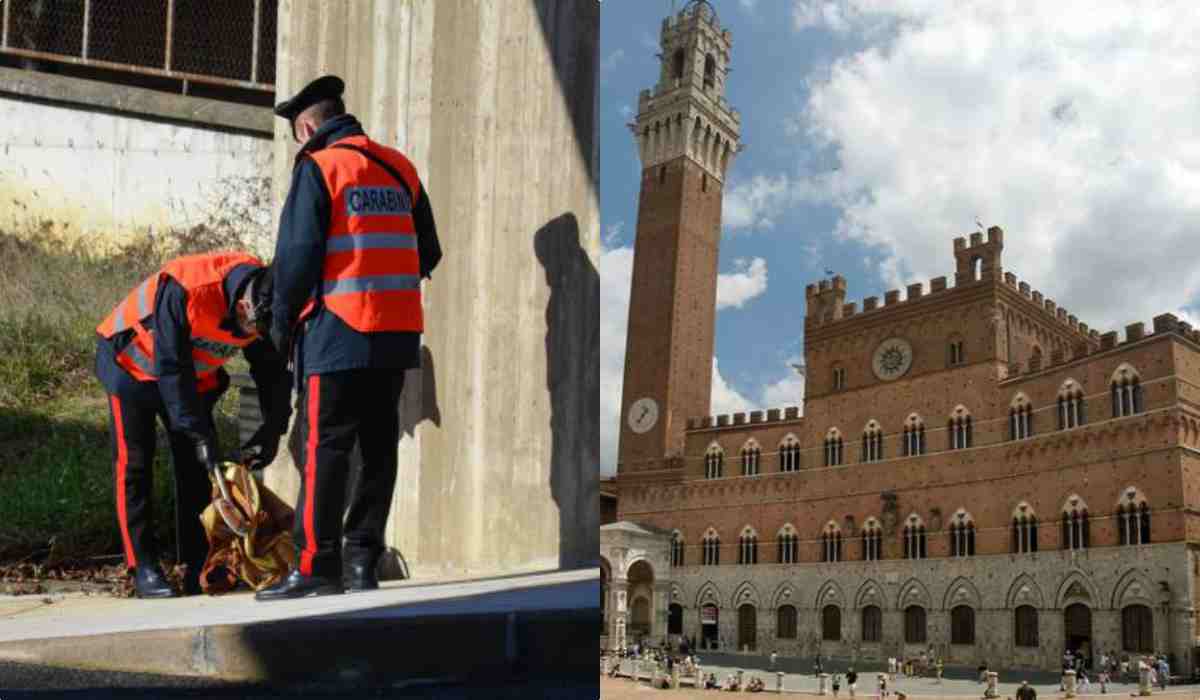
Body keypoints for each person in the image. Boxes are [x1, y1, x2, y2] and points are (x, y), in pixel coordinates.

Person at [256, 75, 442, 600]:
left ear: (309, 126)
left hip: (336, 331)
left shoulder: (320, 166)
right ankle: (362, 561)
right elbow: (428, 250)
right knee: (379, 447)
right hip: (396, 332)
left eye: (297, 132)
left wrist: (282, 325)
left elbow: (295, 259)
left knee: (327, 448)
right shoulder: (398, 166)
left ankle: (316, 566)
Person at [95, 253, 290, 598]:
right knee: (135, 466)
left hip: (190, 377)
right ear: (244, 306)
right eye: (254, 329)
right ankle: (143, 567)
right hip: (130, 364)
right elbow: (171, 366)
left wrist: (272, 427)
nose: (255, 337)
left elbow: (271, 372)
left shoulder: (267, 303)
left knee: (200, 469)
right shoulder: (187, 287)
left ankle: (199, 566)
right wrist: (196, 430)